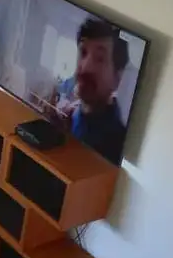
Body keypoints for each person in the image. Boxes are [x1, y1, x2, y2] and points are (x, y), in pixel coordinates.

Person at [49, 18, 129, 165]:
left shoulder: (117, 145)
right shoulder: (72, 114)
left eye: (100, 59)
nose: (85, 67)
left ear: (117, 78)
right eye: (83, 52)